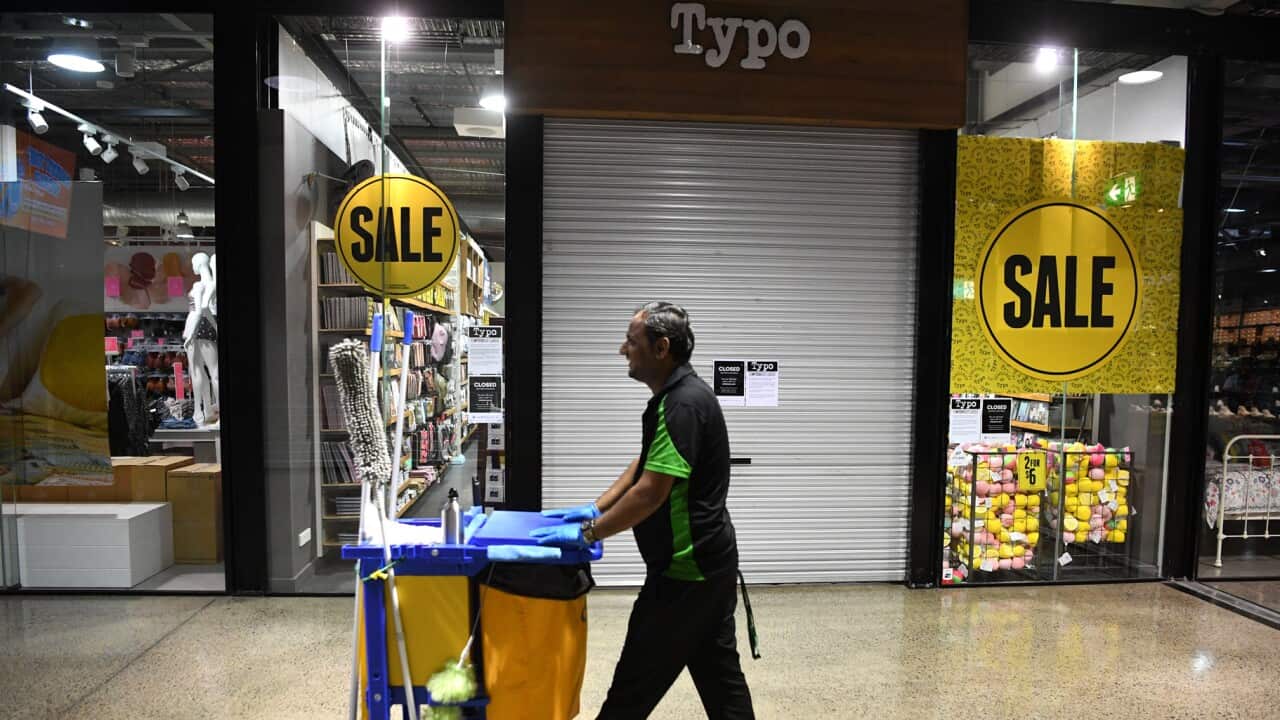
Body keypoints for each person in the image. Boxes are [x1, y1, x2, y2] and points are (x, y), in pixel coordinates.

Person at [532, 301, 757, 720]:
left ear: (661, 348)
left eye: (631, 342)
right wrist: (593, 507)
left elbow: (651, 492)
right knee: (719, 679)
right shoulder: (673, 398)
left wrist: (589, 534)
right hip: (707, 567)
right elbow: (643, 466)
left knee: (632, 689)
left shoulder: (683, 405)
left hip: (687, 572)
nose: (623, 350)